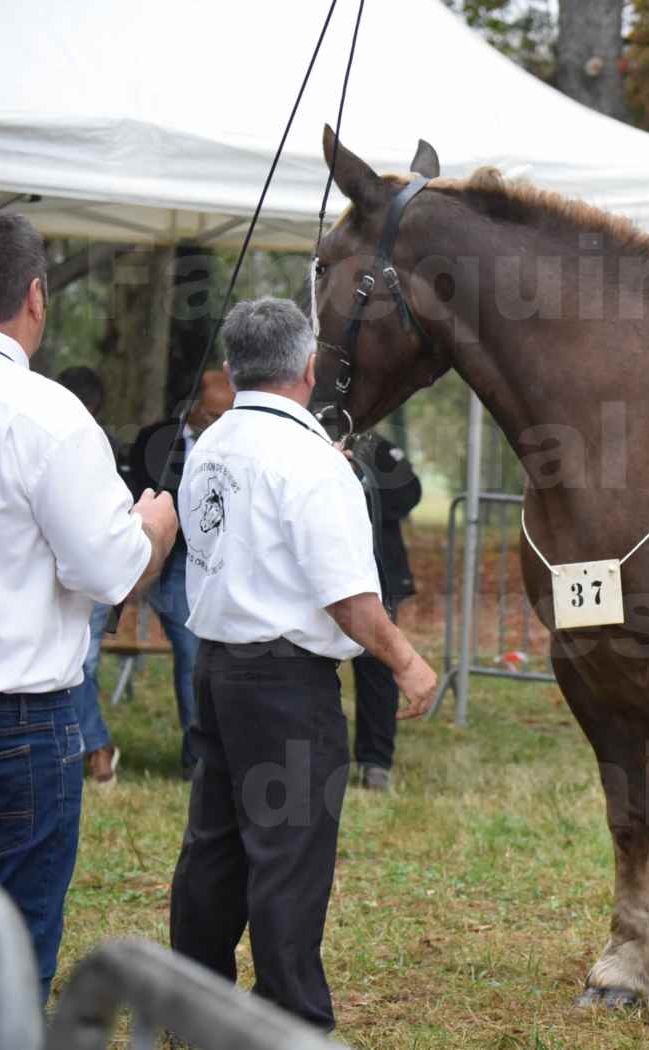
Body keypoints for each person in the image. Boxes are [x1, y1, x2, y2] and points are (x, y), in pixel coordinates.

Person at [168, 297, 438, 1032]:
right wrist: (408, 663)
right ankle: (289, 1021)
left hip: (219, 665)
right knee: (287, 854)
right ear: (309, 368)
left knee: (215, 842)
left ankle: (194, 997)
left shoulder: (212, 443)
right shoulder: (312, 463)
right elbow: (351, 601)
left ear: (231, 369)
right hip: (286, 682)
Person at [0, 210, 179, 1001]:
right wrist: (153, 529)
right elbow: (110, 572)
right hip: (20, 725)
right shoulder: (48, 415)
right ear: (37, 297)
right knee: (11, 961)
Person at [123, 370, 235, 775]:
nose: (220, 422)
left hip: (204, 563)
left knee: (194, 653)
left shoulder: (233, 446)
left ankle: (199, 755)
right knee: (191, 650)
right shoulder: (158, 439)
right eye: (214, 413)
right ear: (196, 407)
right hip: (160, 558)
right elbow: (145, 493)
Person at [56, 366, 121, 785]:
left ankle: (95, 750)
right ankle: (92, 748)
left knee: (81, 663)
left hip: (84, 571)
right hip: (75, 571)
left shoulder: (97, 445)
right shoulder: (94, 442)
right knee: (76, 663)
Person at [350, 435, 423, 792]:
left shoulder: (375, 446)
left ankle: (374, 762)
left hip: (378, 573)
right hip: (314, 575)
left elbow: (409, 494)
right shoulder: (300, 438)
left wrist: (361, 484)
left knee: (377, 668)